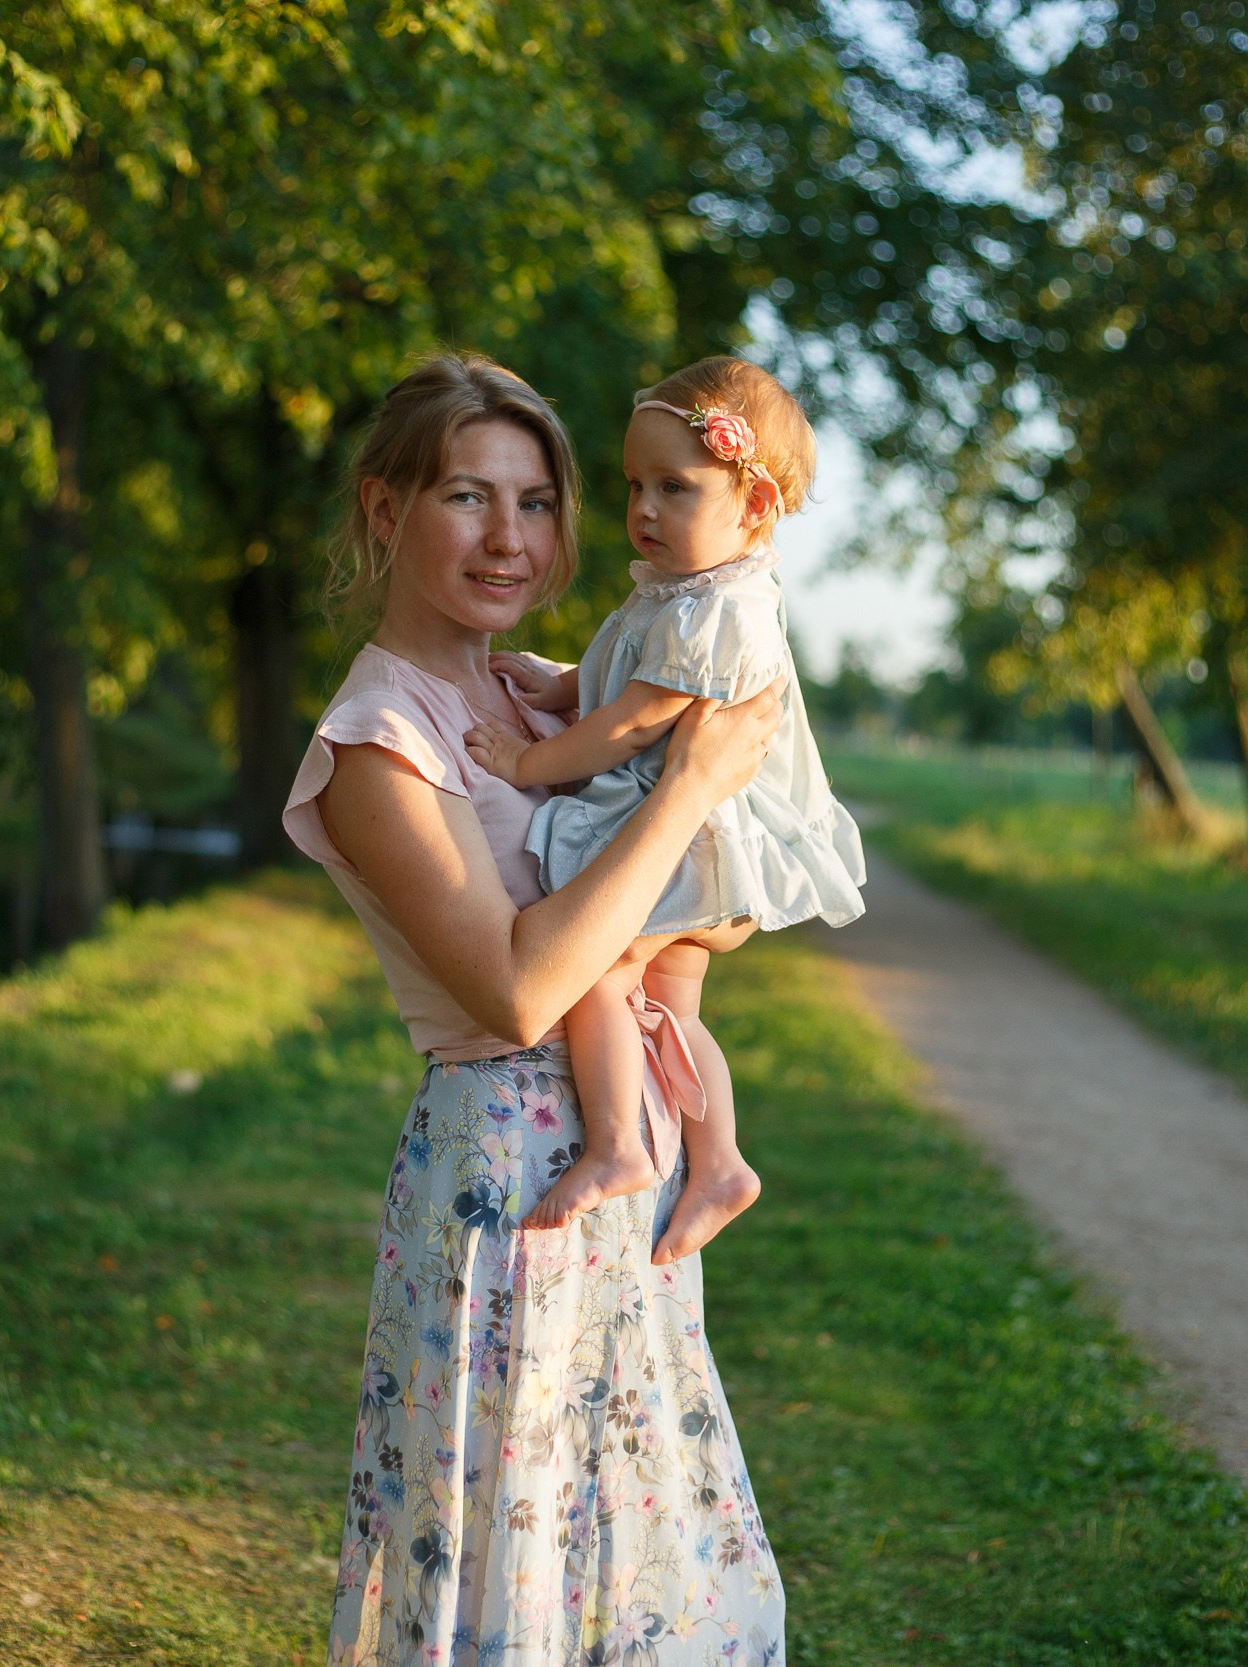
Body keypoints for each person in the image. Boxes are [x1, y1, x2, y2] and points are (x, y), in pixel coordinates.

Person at [283, 354, 789, 1663]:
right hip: (507, 1186)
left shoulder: (534, 693)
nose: (510, 536)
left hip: (614, 1180)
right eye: (467, 494)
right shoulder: (378, 741)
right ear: (387, 508)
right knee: (519, 1546)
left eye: (537, 499)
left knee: (618, 1542)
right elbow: (515, 986)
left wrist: (693, 832)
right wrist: (683, 797)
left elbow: (729, 905)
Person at [462, 357, 863, 1264]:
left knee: (596, 970)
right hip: (700, 836)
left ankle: (616, 1147)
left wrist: (527, 755)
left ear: (755, 505)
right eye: (635, 484)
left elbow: (633, 722)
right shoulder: (690, 596)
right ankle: (719, 1161)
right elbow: (629, 691)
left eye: (675, 488)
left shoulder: (718, 611)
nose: (643, 509)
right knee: (673, 1005)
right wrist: (559, 680)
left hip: (689, 833)